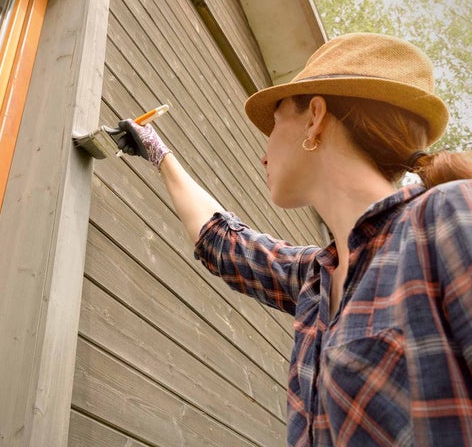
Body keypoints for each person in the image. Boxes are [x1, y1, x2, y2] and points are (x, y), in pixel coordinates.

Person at [120, 32, 472, 446]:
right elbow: (224, 244)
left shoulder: (448, 215)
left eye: (275, 122)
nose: (264, 151)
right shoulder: (316, 278)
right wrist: (159, 154)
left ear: (315, 116)